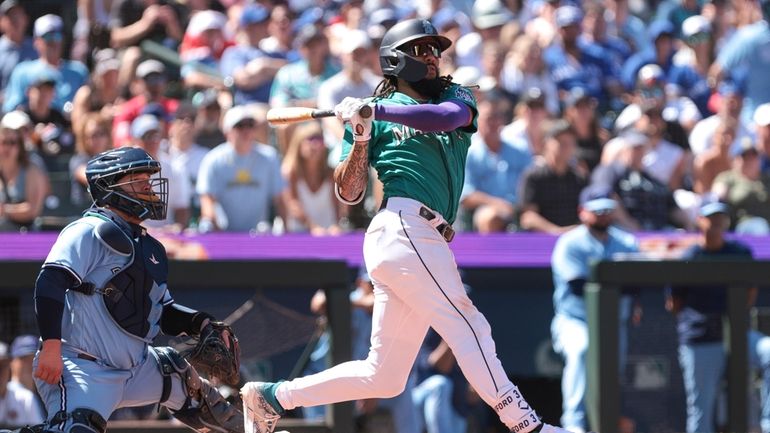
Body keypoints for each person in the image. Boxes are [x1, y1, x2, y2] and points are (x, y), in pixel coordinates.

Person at [242, 18, 575, 433]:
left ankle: (272, 397)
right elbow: (349, 193)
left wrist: (375, 110)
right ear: (397, 59)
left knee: (385, 375)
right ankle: (527, 426)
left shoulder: (454, 94)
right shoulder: (373, 115)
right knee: (468, 322)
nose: (433, 58)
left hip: (420, 237)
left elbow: (445, 118)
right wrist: (361, 136)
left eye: (435, 50)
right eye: (422, 50)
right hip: (402, 227)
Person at [25, 147, 243, 433]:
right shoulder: (89, 229)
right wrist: (51, 346)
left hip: (136, 369)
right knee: (76, 429)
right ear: (109, 187)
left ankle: (251, 428)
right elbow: (50, 281)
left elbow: (162, 310)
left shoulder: (149, 247)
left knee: (180, 376)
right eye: (137, 179)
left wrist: (200, 323)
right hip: (83, 367)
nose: (148, 186)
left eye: (148, 179)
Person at [667, 199, 770, 433]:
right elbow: (674, 303)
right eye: (710, 217)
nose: (716, 223)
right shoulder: (688, 257)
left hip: (737, 334)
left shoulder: (740, 252)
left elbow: (750, 292)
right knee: (702, 407)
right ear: (699, 220)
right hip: (701, 337)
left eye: (720, 218)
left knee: (768, 352)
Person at [550, 184, 640, 433]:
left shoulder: (626, 242)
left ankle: (606, 423)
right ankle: (574, 424)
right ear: (582, 211)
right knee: (581, 350)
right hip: (575, 320)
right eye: (597, 211)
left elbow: (637, 284)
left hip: (613, 323)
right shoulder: (570, 243)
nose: (602, 215)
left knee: (613, 373)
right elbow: (579, 287)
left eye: (607, 210)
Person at [196, 106, 286, 233]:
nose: (246, 130)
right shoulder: (213, 160)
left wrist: (287, 231)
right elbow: (207, 201)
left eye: (250, 125)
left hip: (259, 234)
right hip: (225, 235)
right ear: (227, 132)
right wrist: (218, 232)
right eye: (239, 126)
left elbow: (280, 199)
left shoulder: (269, 157)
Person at [0, 341, 44, 429]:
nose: (31, 366)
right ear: (13, 364)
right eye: (26, 361)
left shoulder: (25, 397)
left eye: (2, 367)